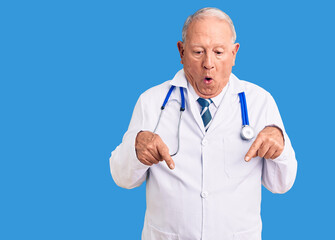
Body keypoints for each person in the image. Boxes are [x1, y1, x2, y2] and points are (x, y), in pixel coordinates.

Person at [110, 7, 297, 240]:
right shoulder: (152, 102)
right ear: (181, 51)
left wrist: (280, 148)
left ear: (234, 53)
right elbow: (122, 177)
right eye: (198, 52)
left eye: (219, 52)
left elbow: (282, 184)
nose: (208, 63)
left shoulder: (259, 102)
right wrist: (135, 150)